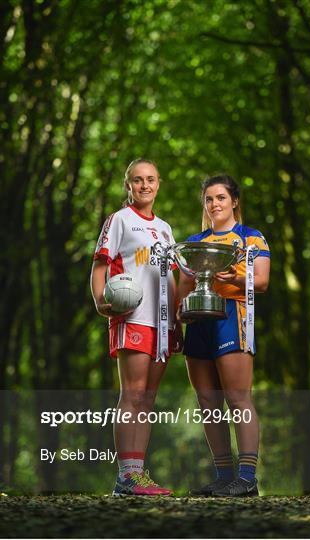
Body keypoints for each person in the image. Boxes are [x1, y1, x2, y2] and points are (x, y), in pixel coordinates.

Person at [91, 158, 182, 496]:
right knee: (131, 394)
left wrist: (176, 322)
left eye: (151, 179)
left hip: (162, 323)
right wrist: (101, 301)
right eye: (138, 180)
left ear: (159, 184)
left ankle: (136, 475)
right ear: (127, 185)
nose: (145, 185)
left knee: (148, 398)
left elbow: (170, 277)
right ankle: (125, 476)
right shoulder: (119, 221)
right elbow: (100, 266)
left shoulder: (166, 228)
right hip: (131, 317)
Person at [178, 174, 270, 497]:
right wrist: (177, 322)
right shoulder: (194, 241)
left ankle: (247, 478)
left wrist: (236, 274)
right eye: (209, 199)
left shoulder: (251, 238)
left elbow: (261, 281)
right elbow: (184, 287)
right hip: (197, 320)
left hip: (233, 316)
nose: (215, 204)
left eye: (220, 198)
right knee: (207, 401)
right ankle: (224, 476)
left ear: (234, 202)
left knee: (237, 397)